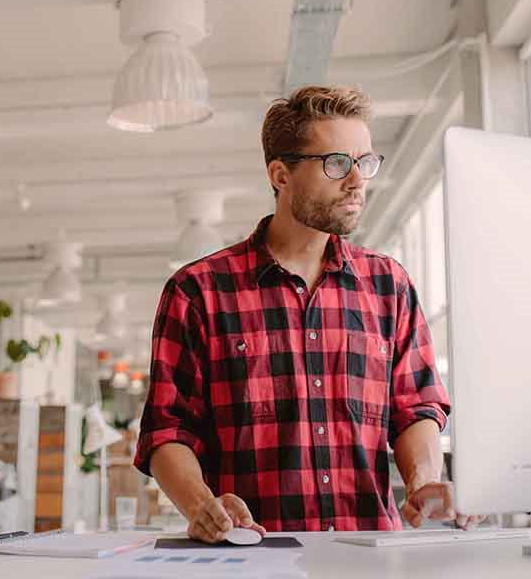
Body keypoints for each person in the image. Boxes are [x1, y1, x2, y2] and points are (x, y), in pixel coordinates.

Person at [133, 85, 484, 541]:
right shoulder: (198, 291)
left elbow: (415, 406)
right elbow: (168, 429)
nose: (357, 180)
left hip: (371, 558)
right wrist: (203, 506)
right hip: (251, 558)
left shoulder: (388, 285)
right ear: (281, 174)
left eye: (365, 163)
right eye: (337, 163)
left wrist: (423, 482)